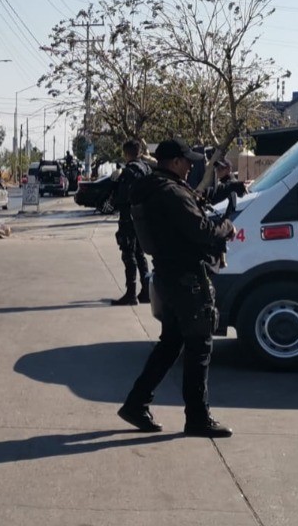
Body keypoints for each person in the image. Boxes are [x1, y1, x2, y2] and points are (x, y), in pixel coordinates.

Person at [117, 137, 236, 438]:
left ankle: (135, 403)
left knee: (171, 344)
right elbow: (201, 229)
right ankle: (197, 417)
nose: (191, 166)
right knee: (199, 348)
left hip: (169, 277)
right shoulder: (170, 192)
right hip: (187, 280)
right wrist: (227, 229)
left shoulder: (157, 188)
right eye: (187, 161)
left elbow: (193, 204)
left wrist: (226, 184)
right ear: (174, 162)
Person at [108, 140, 152, 305]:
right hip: (144, 218)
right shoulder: (147, 169)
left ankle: (131, 293)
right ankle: (146, 291)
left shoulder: (128, 172)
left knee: (129, 253)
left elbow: (121, 198)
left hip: (129, 217)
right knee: (140, 254)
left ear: (126, 154)